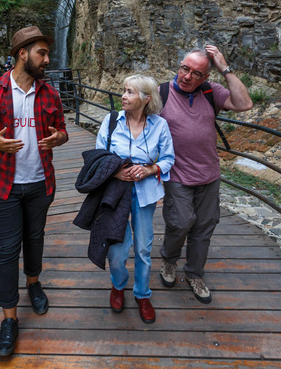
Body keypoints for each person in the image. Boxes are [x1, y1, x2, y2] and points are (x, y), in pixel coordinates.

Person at [0, 25, 68, 357]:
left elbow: (64, 130)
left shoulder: (49, 93)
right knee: (7, 251)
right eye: (42, 53)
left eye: (47, 53)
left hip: (40, 183)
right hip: (1, 186)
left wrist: (59, 138)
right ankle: (9, 318)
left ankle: (34, 284)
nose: (47, 59)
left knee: (35, 237)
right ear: (22, 54)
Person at [158, 45, 253, 304]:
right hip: (176, 174)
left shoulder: (212, 92)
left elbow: (244, 104)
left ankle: (195, 273)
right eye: (184, 69)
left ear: (205, 78)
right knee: (180, 222)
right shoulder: (161, 93)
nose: (187, 76)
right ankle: (168, 260)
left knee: (204, 227)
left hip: (209, 175)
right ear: (179, 66)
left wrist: (225, 68)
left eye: (196, 74)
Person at [94, 75, 174, 323]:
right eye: (124, 91)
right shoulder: (111, 121)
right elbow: (98, 156)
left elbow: (168, 158)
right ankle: (118, 285)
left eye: (130, 92)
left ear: (146, 98)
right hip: (115, 193)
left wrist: (150, 170)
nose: (123, 96)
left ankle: (142, 293)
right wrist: (116, 171)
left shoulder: (160, 125)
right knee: (117, 250)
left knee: (142, 247)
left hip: (145, 192)